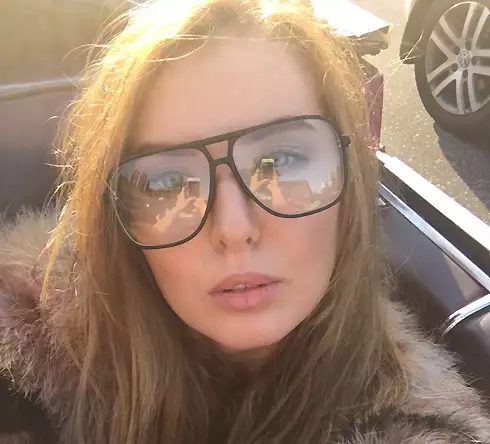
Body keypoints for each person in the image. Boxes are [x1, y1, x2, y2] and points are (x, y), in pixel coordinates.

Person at [1, 0, 490, 443]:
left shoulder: (421, 428)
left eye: (282, 161)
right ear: (117, 218)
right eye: (168, 181)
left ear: (351, 177)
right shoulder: (24, 348)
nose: (234, 229)